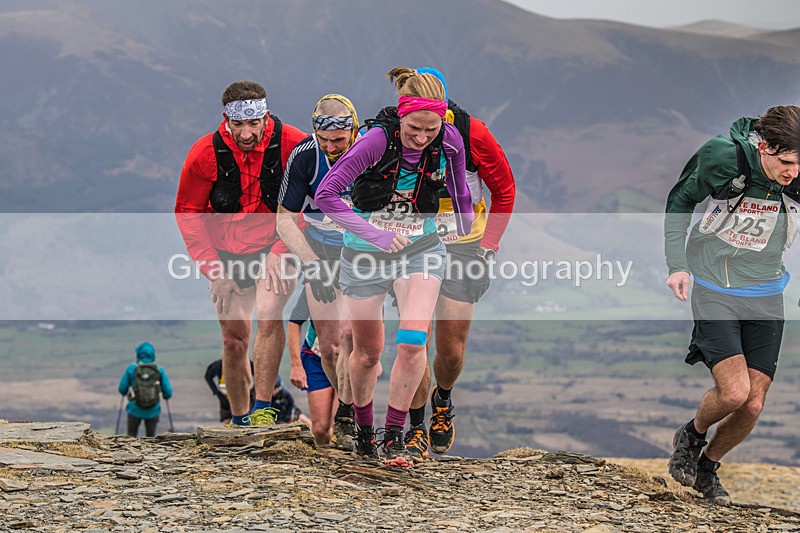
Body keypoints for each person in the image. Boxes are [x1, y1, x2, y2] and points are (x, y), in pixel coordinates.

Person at [315, 67, 474, 467]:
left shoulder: (449, 140)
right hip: (365, 252)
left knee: (412, 342)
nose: (422, 137)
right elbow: (327, 195)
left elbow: (459, 188)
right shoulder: (374, 142)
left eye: (431, 129)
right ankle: (364, 431)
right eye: (414, 128)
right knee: (367, 353)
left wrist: (464, 224)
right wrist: (376, 235)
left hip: (421, 248)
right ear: (401, 115)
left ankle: (395, 437)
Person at [664, 105, 800, 505]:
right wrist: (677, 265)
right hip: (715, 287)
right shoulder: (723, 157)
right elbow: (680, 200)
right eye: (787, 163)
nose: (794, 173)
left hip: (765, 291)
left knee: (753, 404)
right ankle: (692, 435)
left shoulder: (796, 172)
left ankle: (707, 468)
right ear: (764, 147)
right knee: (735, 393)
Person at [175, 80, 307, 427]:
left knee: (269, 315)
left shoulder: (293, 144)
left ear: (266, 117)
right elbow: (188, 214)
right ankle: (239, 421)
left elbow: (311, 203)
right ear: (226, 120)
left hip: (277, 245)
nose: (246, 133)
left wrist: (281, 250)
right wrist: (214, 270)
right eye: (238, 124)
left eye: (254, 123)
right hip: (226, 253)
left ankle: (262, 409)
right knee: (234, 342)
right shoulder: (205, 153)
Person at [402, 67, 516, 462]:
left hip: (463, 246)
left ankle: (443, 400)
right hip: (413, 245)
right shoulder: (397, 130)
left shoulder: (473, 133)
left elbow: (505, 191)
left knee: (450, 350)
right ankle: (415, 427)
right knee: (414, 342)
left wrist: (489, 246)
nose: (421, 135)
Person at [277, 94, 360, 446]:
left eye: (338, 140)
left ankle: (352, 415)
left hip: (363, 252)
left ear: (353, 131)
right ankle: (345, 413)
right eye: (323, 139)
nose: (331, 147)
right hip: (322, 249)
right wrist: (311, 266)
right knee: (329, 347)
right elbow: (284, 220)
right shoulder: (306, 156)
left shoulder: (371, 151)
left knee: (350, 337)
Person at [117, 342, 173, 437]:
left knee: (131, 436)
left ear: (138, 354)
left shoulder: (132, 368)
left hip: (134, 409)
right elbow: (168, 392)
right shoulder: (159, 369)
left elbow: (122, 389)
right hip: (153, 410)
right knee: (151, 437)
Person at [204, 358, 255, 425]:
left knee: (248, 418)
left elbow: (258, 374)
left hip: (245, 397)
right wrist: (217, 393)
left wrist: (253, 391)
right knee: (227, 420)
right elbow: (208, 376)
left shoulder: (247, 363)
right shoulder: (219, 365)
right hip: (225, 397)